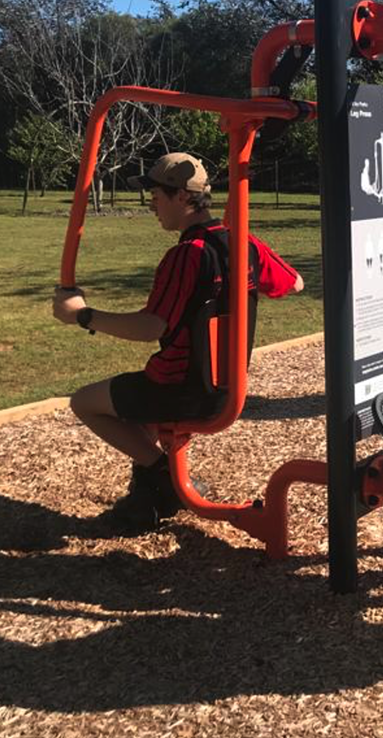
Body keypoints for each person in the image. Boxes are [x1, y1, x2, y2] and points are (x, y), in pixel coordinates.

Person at [52, 152, 303, 533]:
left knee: (85, 402)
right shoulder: (243, 245)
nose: (152, 204)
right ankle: (147, 495)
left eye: (157, 195)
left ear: (183, 198)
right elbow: (295, 282)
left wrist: (83, 315)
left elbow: (150, 327)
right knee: (144, 424)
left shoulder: (187, 255)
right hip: (224, 386)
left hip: (178, 387)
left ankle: (162, 478)